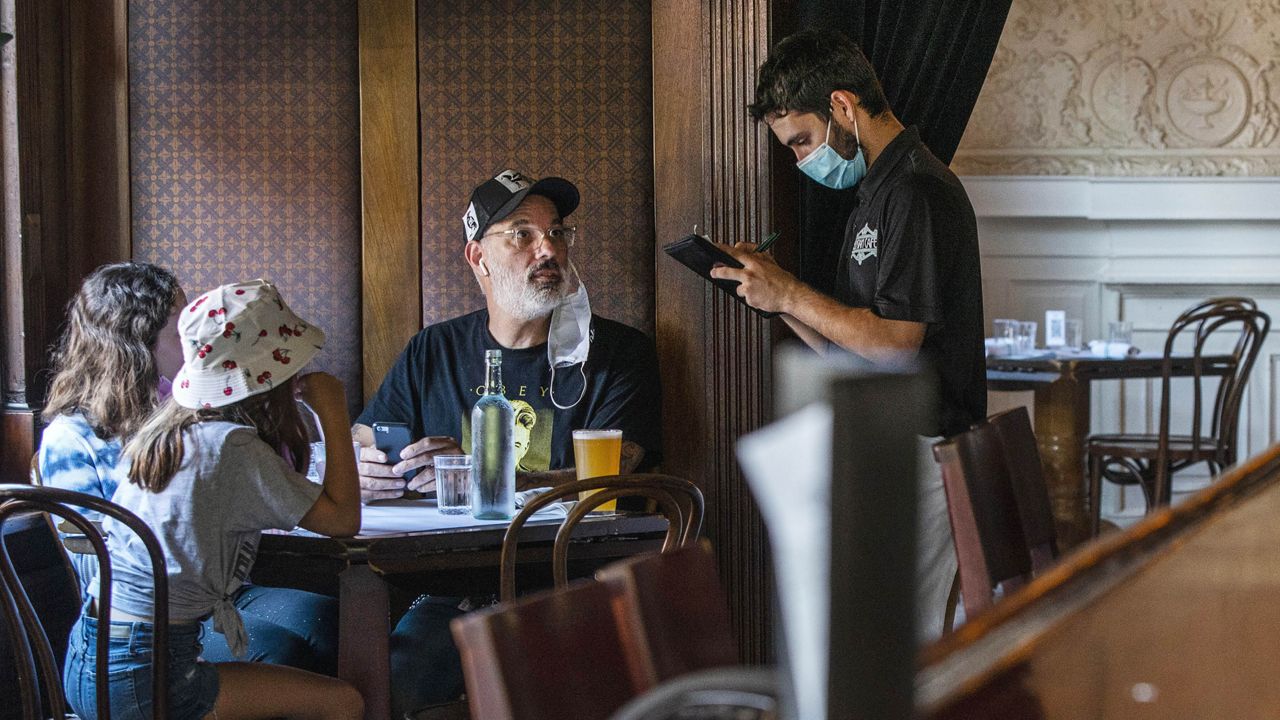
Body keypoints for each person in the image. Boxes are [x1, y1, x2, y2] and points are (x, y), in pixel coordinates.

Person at [354, 169, 663, 714]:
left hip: (570, 582)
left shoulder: (617, 352)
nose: (548, 248)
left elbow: (623, 474)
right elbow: (365, 435)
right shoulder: (434, 349)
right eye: (522, 234)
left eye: (558, 233)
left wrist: (493, 475)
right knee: (385, 684)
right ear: (478, 258)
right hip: (444, 584)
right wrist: (366, 465)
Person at [711, 29, 985, 640]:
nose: (804, 159)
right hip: (887, 442)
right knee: (862, 639)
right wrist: (772, 297)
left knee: (891, 649)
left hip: (923, 448)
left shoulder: (915, 190)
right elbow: (855, 347)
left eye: (803, 140)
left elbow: (895, 345)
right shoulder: (876, 191)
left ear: (842, 106)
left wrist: (791, 293)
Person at [61, 279, 363, 720]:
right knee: (342, 703)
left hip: (90, 655)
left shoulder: (165, 432)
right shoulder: (230, 448)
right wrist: (333, 413)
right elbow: (343, 521)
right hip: (145, 675)